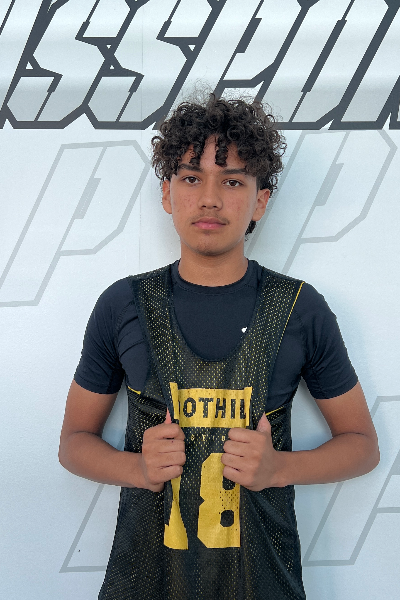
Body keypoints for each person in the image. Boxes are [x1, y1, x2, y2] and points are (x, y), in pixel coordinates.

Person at [59, 96, 379, 600]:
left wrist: (279, 467)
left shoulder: (299, 308)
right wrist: (136, 467)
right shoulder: (123, 304)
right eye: (191, 178)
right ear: (167, 193)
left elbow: (362, 446)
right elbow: (73, 443)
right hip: (145, 584)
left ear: (260, 201)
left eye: (232, 182)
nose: (209, 199)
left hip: (262, 582)